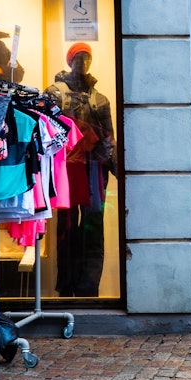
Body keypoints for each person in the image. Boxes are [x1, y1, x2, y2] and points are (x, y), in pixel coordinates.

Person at [44, 43, 114, 298]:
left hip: (94, 171)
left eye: (87, 58)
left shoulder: (100, 100)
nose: (82, 63)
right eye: (78, 58)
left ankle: (89, 288)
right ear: (69, 60)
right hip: (66, 171)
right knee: (67, 228)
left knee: (93, 228)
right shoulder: (53, 94)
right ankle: (67, 285)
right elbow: (44, 134)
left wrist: (119, 170)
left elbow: (110, 141)